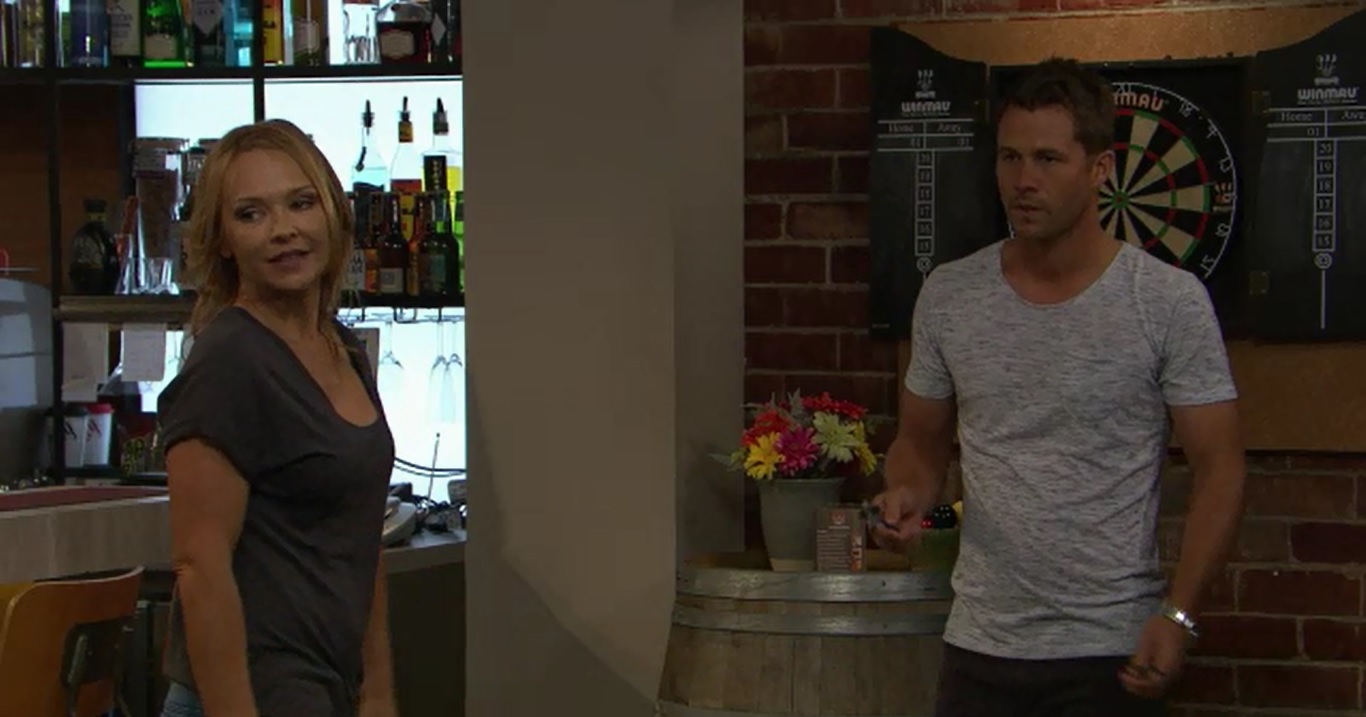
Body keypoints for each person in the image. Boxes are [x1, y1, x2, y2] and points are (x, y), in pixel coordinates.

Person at [872, 58, 1245, 716]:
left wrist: (1178, 614)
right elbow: (920, 445)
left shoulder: (1165, 302)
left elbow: (1221, 470)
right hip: (980, 646)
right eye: (1010, 157)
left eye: (1047, 159)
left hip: (1108, 649)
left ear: (1100, 168)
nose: (1024, 180)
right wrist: (906, 495)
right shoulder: (951, 296)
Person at [155, 119, 399, 717]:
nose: (283, 229)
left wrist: (377, 692)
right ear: (223, 240)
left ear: (332, 213)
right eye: (251, 214)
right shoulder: (230, 359)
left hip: (324, 688)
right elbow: (200, 567)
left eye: (300, 203)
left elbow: (362, 539)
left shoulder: (340, 347)